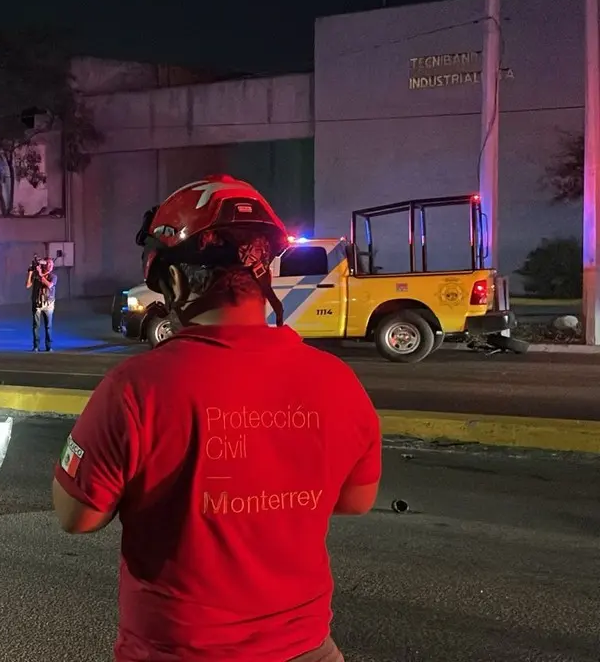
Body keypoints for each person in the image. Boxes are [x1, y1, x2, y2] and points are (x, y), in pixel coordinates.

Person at [50, 174, 381, 662]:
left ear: (175, 281)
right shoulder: (338, 381)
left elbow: (78, 516)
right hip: (307, 649)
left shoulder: (135, 388)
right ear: (262, 272)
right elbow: (356, 501)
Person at [26, 255, 57, 351]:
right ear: (44, 265)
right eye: (48, 263)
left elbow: (49, 285)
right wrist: (30, 273)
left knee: (48, 326)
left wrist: (40, 275)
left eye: (52, 264)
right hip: (37, 303)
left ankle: (49, 346)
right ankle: (36, 346)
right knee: (36, 326)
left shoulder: (53, 276)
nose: (50, 266)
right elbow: (28, 285)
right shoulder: (36, 274)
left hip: (48, 304)